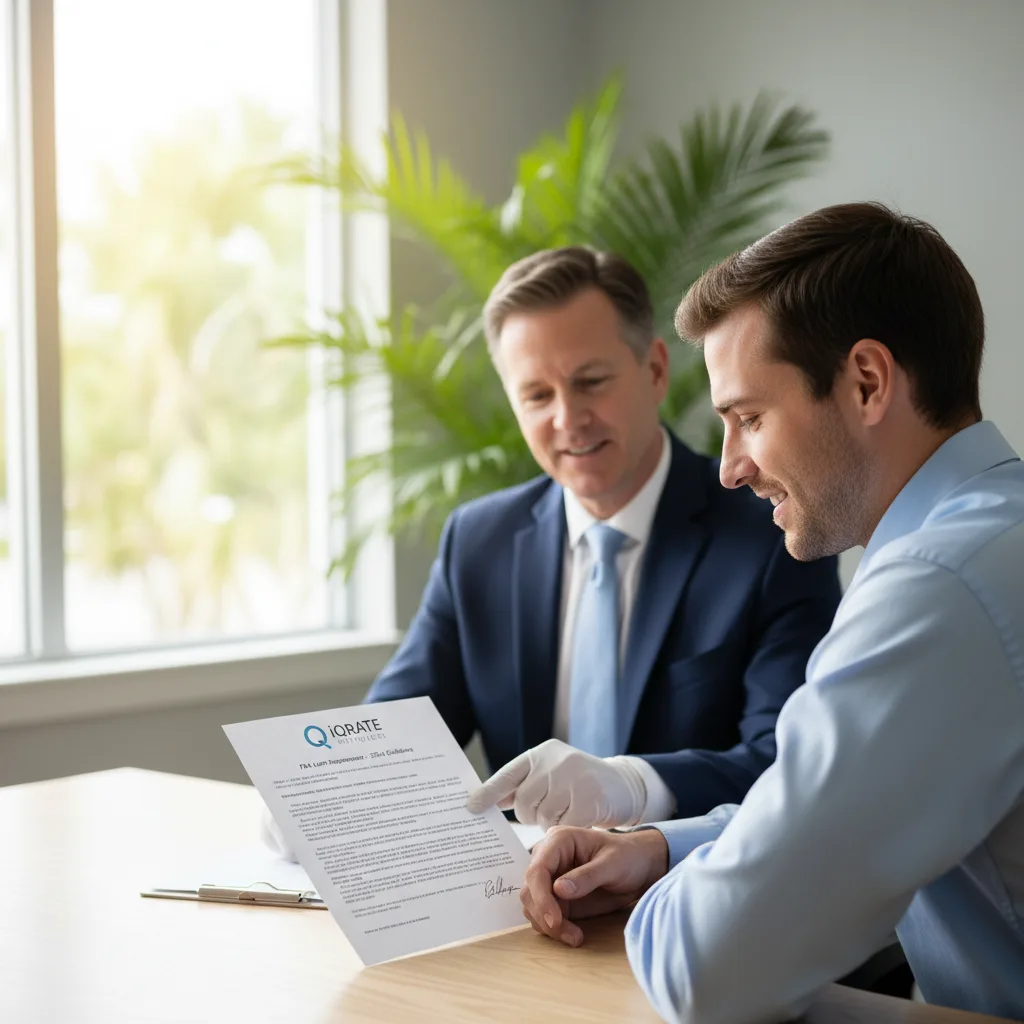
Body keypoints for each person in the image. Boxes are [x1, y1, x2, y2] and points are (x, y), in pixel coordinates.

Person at [517, 204, 1024, 1022]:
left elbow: (707, 971)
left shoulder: (938, 589)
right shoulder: (994, 535)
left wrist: (677, 900)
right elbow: (828, 809)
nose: (730, 469)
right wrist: (661, 849)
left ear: (867, 382)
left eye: (749, 418)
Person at [366, 246, 840, 830]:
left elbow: (788, 759)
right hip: (523, 902)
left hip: (689, 892)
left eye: (590, 382)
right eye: (537, 396)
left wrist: (634, 784)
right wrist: (324, 795)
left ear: (656, 371)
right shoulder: (479, 541)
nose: (568, 419)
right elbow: (393, 733)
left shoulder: (773, 531)